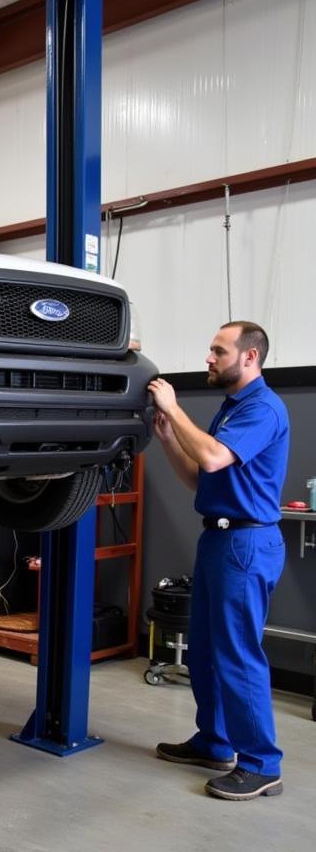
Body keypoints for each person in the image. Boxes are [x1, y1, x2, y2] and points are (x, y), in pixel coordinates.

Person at [147, 321, 289, 800]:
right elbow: (199, 478)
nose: (208, 358)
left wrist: (174, 407)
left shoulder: (264, 408)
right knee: (205, 651)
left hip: (246, 546)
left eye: (218, 351)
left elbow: (210, 458)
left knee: (237, 653)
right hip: (219, 540)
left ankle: (262, 764)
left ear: (249, 357)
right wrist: (168, 438)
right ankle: (214, 741)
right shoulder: (232, 409)